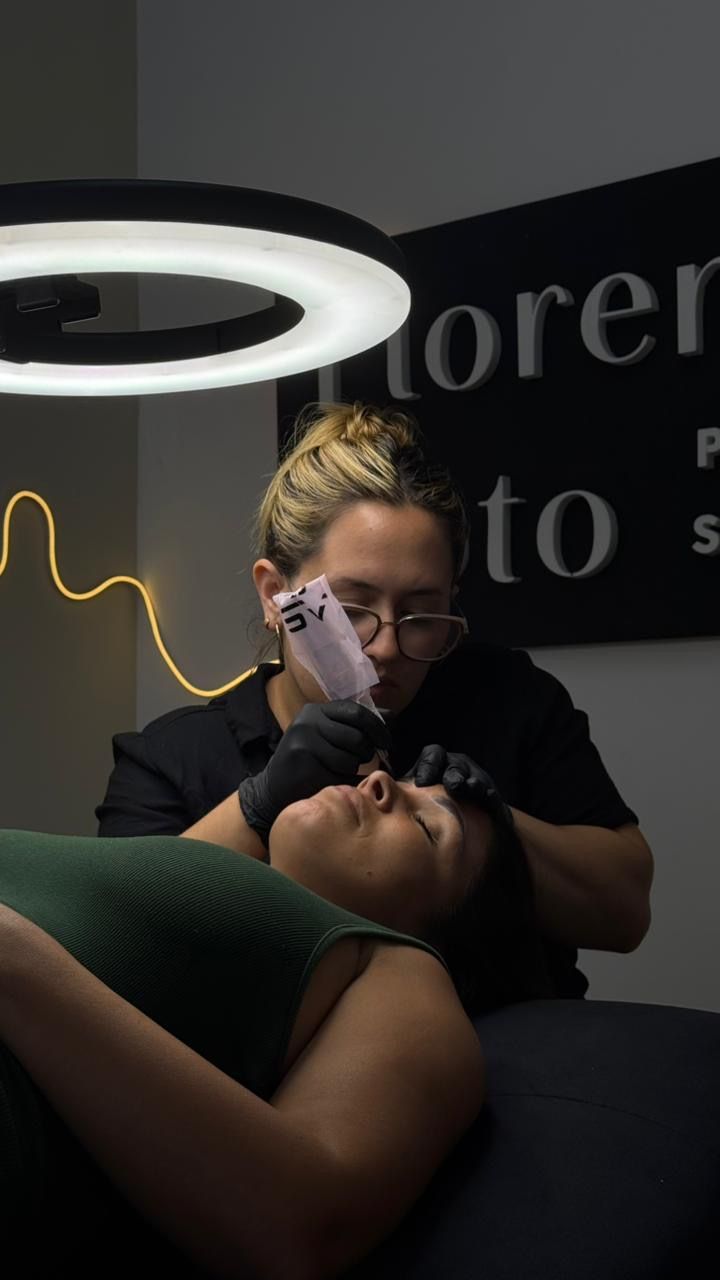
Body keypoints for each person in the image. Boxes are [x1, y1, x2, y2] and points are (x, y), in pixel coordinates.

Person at [96, 402, 654, 1004]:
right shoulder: (174, 758)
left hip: (527, 1061)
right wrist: (258, 807)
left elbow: (624, 914)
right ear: (275, 595)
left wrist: (492, 826)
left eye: (420, 613)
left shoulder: (507, 697)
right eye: (351, 606)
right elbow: (106, 952)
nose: (386, 646)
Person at [0, 770, 547, 1278]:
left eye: (428, 826)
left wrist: (13, 961)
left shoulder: (405, 973)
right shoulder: (211, 880)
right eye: (398, 775)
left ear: (444, 934)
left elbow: (306, 1222)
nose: (380, 781)